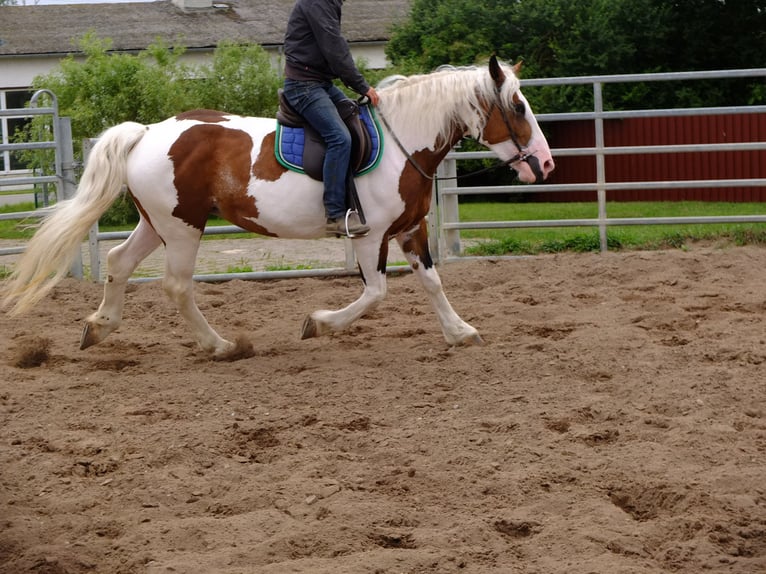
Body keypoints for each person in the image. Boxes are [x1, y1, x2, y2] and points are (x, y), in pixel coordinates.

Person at [282, 0, 380, 238]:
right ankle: (335, 214)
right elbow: (335, 47)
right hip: (303, 86)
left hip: (320, 83)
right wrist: (362, 86)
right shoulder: (318, 2)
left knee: (359, 119)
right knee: (339, 138)